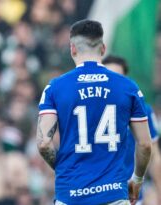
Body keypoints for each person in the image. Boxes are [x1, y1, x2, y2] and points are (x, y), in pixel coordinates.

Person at [37, 19, 152, 205]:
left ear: (72, 48)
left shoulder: (55, 88)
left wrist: (64, 169)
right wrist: (137, 180)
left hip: (70, 195)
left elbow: (43, 143)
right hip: (114, 194)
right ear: (103, 48)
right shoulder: (128, 87)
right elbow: (145, 144)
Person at [103, 55, 161, 205]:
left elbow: (154, 156)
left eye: (117, 78)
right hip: (96, 195)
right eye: (108, 78)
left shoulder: (142, 111)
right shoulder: (87, 110)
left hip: (130, 196)